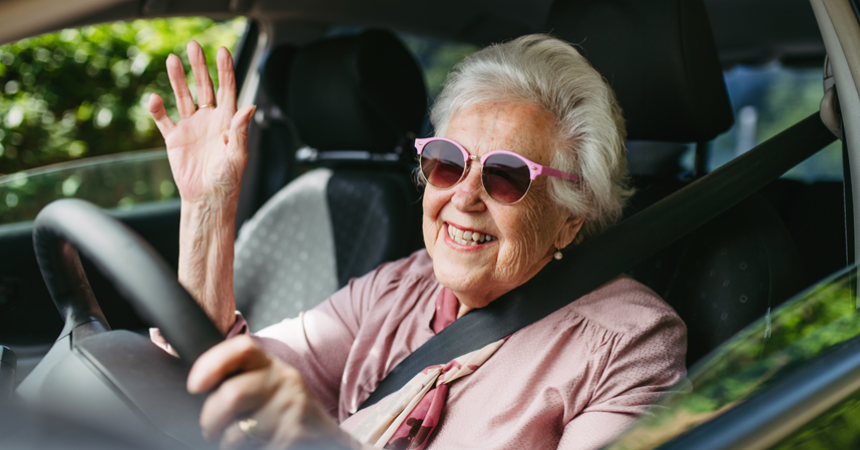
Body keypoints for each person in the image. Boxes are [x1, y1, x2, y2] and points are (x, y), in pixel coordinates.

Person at [148, 34, 686, 450]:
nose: (465, 197)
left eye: (506, 176)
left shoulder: (628, 345)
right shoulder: (397, 288)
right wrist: (208, 209)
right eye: (447, 162)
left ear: (572, 218)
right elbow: (216, 376)